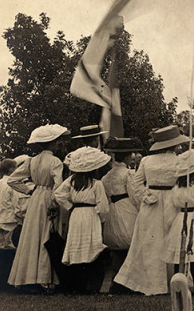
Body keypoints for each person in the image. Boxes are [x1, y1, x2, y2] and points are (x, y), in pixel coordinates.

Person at [115, 125, 187, 296]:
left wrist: (145, 197)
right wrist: (146, 197)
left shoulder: (148, 160)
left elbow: (136, 184)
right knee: (168, 240)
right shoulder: (179, 160)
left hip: (156, 201)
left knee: (152, 242)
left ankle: (158, 283)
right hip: (170, 200)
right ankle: (166, 283)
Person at [8, 124, 70, 289]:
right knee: (46, 235)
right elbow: (58, 185)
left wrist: (31, 189)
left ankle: (29, 277)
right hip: (48, 197)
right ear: (53, 143)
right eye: (57, 142)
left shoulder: (31, 161)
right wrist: (54, 202)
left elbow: (12, 180)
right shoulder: (55, 161)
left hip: (36, 199)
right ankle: (45, 279)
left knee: (33, 234)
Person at [54, 147, 111, 293]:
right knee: (92, 244)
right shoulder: (96, 183)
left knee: (77, 244)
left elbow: (58, 194)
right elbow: (103, 206)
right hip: (90, 214)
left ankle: (78, 284)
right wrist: (101, 218)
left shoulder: (71, 181)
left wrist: (70, 207)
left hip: (76, 215)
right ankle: (91, 285)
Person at [100, 137, 143, 292]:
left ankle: (117, 280)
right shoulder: (128, 174)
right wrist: (141, 209)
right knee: (130, 242)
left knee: (117, 246)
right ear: (126, 157)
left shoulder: (106, 177)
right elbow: (134, 195)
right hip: (126, 207)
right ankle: (128, 282)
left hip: (113, 208)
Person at [163, 149, 194, 295]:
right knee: (193, 254)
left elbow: (171, 206)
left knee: (180, 254)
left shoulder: (176, 187)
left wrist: (169, 223)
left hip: (180, 218)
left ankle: (178, 283)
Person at [0, 159, 18, 249]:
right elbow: (16, 203)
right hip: (9, 220)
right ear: (11, 169)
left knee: (0, 246)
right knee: (10, 247)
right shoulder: (13, 183)